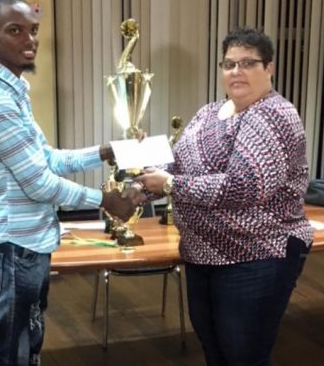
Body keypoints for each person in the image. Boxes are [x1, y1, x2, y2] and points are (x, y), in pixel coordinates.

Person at [0, 0, 138, 366]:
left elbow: (48, 159)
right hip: (12, 248)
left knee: (27, 343)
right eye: (15, 31)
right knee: (12, 353)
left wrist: (105, 151)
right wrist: (106, 200)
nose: (30, 40)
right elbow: (39, 184)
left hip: (26, 245)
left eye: (33, 30)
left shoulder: (13, 91)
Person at [134, 27, 314, 366]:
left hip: (258, 254)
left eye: (248, 63)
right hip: (203, 255)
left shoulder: (274, 114)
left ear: (269, 68)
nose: (236, 72)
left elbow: (244, 186)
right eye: (229, 64)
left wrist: (170, 185)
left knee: (244, 355)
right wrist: (141, 178)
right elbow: (175, 161)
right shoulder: (208, 113)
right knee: (215, 351)